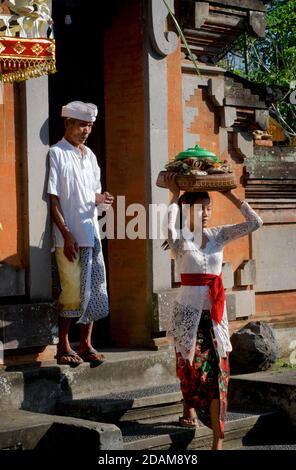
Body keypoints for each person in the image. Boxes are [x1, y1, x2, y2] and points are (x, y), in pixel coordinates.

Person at [163, 173, 263, 450]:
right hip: (189, 313)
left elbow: (256, 223)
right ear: (187, 210)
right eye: (200, 207)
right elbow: (169, 231)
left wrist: (230, 194)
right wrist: (173, 196)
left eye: (208, 207)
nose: (206, 212)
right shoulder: (182, 240)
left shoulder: (219, 235)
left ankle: (218, 439)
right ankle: (188, 410)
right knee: (191, 369)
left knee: (219, 374)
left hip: (216, 316)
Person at [47, 101, 114, 365]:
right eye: (81, 124)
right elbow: (54, 199)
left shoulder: (91, 157)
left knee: (95, 289)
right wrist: (66, 234)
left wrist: (101, 198)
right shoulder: (56, 153)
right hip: (69, 236)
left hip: (92, 232)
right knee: (72, 290)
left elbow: (90, 194)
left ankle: (85, 344)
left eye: (89, 125)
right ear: (68, 124)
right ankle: (63, 346)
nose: (86, 130)